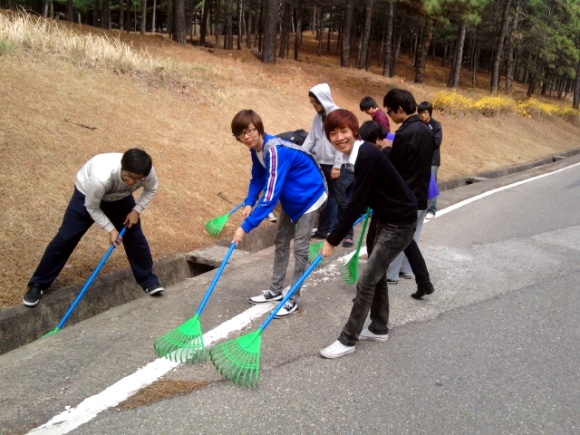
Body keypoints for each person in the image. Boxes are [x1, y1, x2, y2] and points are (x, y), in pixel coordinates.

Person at [318, 109, 417, 359]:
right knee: (377, 274)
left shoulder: (367, 155)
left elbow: (356, 202)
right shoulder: (357, 156)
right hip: (386, 217)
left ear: (354, 131)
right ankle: (379, 327)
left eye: (344, 131)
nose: (339, 137)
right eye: (333, 133)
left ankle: (347, 339)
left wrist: (332, 239)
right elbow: (365, 197)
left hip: (400, 223)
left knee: (366, 281)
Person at [23, 148, 164, 307]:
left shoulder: (146, 171)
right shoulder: (101, 177)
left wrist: (136, 211)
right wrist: (111, 229)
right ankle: (38, 284)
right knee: (66, 238)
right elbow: (92, 207)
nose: (131, 182)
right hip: (86, 196)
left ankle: (147, 280)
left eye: (137, 179)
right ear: (122, 167)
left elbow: (151, 189)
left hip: (120, 198)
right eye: (128, 177)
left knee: (135, 236)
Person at [231, 109, 327, 318]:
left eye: (250, 131)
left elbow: (271, 196)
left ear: (259, 128)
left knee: (300, 248)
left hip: (310, 196)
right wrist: (249, 202)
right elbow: (258, 179)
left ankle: (292, 298)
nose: (246, 137)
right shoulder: (256, 150)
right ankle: (275, 291)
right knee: (281, 241)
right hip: (292, 198)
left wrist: (244, 228)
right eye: (241, 134)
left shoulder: (275, 151)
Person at [383, 89, 435, 300]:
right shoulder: (426, 130)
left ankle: (418, 280)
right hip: (421, 193)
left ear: (400, 109)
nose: (390, 117)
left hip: (405, 196)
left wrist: (386, 150)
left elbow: (394, 168)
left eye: (390, 112)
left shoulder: (405, 134)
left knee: (401, 238)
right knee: (407, 239)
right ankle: (423, 282)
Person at [302, 83, 354, 247]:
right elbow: (311, 138)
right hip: (322, 163)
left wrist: (338, 165)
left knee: (341, 200)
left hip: (337, 165)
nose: (314, 106)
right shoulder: (319, 118)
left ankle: (348, 234)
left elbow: (342, 141)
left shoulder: (338, 115)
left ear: (323, 99)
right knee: (324, 199)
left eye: (315, 102)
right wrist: (300, 155)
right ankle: (323, 231)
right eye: (311, 103)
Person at [418, 101, 443, 219]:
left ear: (430, 113)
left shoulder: (436, 125)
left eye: (425, 113)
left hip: (432, 160)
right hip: (420, 159)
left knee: (431, 183)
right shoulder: (418, 124)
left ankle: (432, 210)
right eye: (421, 113)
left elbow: (436, 142)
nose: (423, 115)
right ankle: (423, 206)